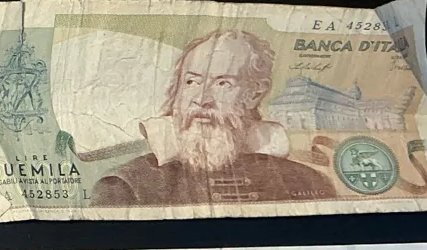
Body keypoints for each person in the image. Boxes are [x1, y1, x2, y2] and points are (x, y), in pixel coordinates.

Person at [91, 29, 335, 207]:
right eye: (192, 82)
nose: (202, 100)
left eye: (222, 83)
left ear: (254, 94)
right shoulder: (124, 187)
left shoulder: (308, 183)